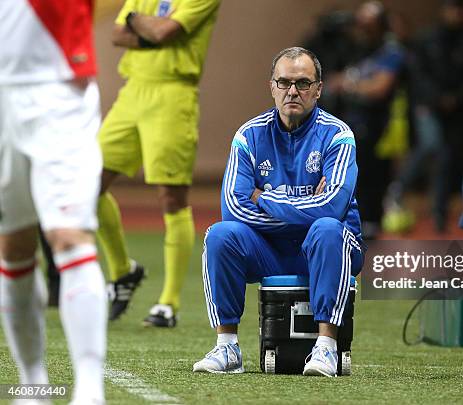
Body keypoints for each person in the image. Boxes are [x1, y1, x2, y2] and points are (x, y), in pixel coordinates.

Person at [192, 47, 363, 376]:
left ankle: (326, 348)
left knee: (327, 227)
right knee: (221, 235)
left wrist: (265, 196)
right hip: (269, 249)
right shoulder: (249, 136)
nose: (292, 91)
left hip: (329, 248)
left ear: (318, 89)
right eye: (284, 82)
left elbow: (333, 206)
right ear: (272, 87)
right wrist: (302, 205)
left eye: (302, 82)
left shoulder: (338, 135)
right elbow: (233, 208)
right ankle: (227, 347)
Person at [0, 1, 107, 403]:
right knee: (13, 248)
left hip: (58, 87)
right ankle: (33, 386)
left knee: (68, 236)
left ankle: (90, 391)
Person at [97, 0, 221, 327]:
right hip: (132, 93)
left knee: (171, 197)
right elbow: (117, 34)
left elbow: (165, 30)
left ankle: (168, 303)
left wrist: (138, 19)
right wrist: (149, 28)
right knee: (88, 183)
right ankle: (123, 271)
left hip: (173, 95)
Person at [382, 0, 463, 233]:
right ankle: (399, 187)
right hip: (427, 106)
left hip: (456, 111)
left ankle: (439, 211)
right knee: (431, 145)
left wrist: (455, 99)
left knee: (444, 158)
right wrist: (437, 98)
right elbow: (420, 75)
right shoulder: (427, 41)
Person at [324, 1, 405, 239]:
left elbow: (379, 87)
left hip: (380, 127)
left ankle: (371, 228)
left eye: (368, 26)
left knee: (372, 179)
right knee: (351, 176)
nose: (362, 31)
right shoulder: (357, 50)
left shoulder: (391, 52)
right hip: (352, 123)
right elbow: (335, 79)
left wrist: (348, 85)